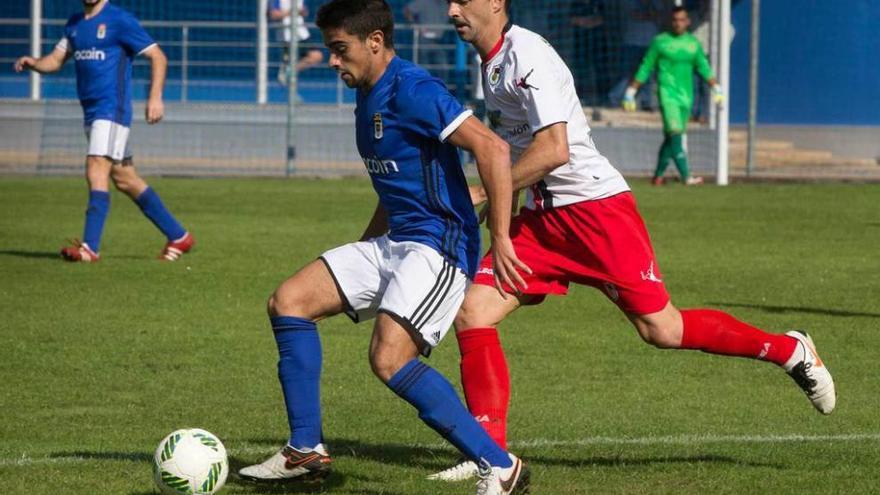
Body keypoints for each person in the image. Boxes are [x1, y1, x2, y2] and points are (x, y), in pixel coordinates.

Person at [430, 0, 836, 481]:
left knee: (663, 330)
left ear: (496, 1)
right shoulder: (491, 64)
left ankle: (790, 351)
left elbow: (554, 150)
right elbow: (515, 152)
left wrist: (488, 192)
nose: (453, 9)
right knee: (473, 312)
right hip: (543, 221)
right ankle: (492, 457)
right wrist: (504, 220)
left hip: (596, 214)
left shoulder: (528, 55)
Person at [238, 1, 530, 493]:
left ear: (374, 41)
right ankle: (305, 449)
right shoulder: (367, 94)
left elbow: (493, 148)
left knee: (389, 359)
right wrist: (364, 251)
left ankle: (500, 465)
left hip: (438, 246)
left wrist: (499, 237)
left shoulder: (413, 89)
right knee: (289, 301)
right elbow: (393, 185)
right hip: (394, 241)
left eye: (339, 49)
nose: (332, 61)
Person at [14, 0, 193, 262]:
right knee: (125, 179)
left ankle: (90, 247)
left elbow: (158, 56)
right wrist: (34, 63)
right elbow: (55, 60)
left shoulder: (119, 20)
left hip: (112, 109)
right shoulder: (75, 24)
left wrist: (155, 98)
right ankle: (179, 236)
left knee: (96, 164)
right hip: (92, 111)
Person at [622, 7, 723, 185]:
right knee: (675, 133)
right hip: (667, 95)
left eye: (682, 19)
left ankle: (658, 176)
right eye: (675, 20)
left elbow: (703, 67)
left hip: (686, 97)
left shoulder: (693, 43)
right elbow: (646, 66)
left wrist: (716, 88)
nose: (678, 23)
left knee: (671, 137)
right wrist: (631, 91)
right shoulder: (660, 42)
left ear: (688, 21)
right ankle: (687, 176)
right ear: (671, 21)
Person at [269, 0, 324, 84]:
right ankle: (288, 77)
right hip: (286, 34)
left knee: (316, 56)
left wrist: (300, 11)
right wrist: (293, 11)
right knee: (290, 59)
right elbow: (274, 14)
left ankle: (290, 71)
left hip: (301, 33)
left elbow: (304, 11)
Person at [403, 0, 452, 80]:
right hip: (424, 39)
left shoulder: (447, 4)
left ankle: (440, 87)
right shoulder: (424, 2)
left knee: (442, 66)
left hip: (439, 40)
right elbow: (407, 10)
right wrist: (415, 25)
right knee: (425, 65)